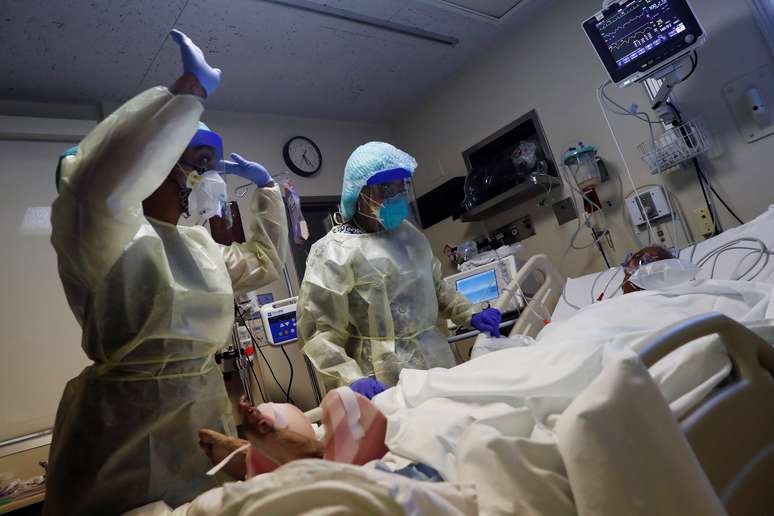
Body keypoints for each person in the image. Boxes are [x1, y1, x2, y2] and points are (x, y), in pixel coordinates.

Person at [44, 30, 288, 515]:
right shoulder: (106, 235)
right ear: (156, 165)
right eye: (199, 163)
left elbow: (265, 266)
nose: (211, 177)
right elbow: (96, 189)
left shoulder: (202, 246)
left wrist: (267, 195)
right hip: (123, 429)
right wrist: (187, 93)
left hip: (202, 410)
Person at [296, 142, 502, 398]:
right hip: (380, 379)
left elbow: (436, 287)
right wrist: (350, 378)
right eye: (386, 189)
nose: (396, 196)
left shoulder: (409, 236)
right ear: (359, 193)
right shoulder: (333, 252)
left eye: (400, 187)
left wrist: (469, 314)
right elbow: (319, 334)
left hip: (437, 365)